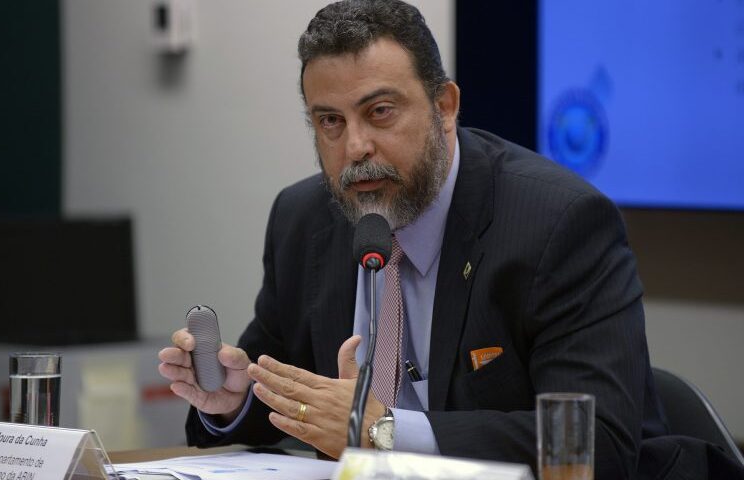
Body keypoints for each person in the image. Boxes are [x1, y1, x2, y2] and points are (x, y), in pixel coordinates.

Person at [157, 1, 691, 478]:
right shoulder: (304, 220)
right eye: (330, 122)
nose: (356, 146)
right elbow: (283, 396)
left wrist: (383, 430)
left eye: (379, 112)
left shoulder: (559, 223)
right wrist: (230, 402)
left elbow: (598, 443)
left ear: (446, 107)